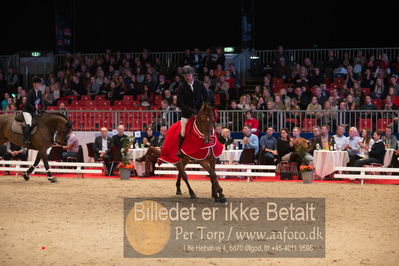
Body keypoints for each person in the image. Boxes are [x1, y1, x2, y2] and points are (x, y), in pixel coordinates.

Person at [176, 65, 209, 158]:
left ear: (192, 75)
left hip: (199, 113)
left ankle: (210, 147)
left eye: (189, 75)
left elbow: (206, 97)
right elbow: (179, 103)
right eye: (185, 76)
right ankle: (179, 150)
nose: (187, 77)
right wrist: (191, 110)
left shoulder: (199, 84)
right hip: (187, 114)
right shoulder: (181, 87)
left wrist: (204, 107)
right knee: (183, 131)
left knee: (208, 126)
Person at [22, 77, 44, 145]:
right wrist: (36, 109)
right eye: (38, 83)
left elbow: (41, 103)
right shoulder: (31, 92)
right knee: (29, 123)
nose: (40, 85)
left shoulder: (39, 92)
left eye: (40, 83)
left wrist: (42, 109)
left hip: (35, 111)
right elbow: (27, 104)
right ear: (34, 84)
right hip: (27, 111)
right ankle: (26, 139)